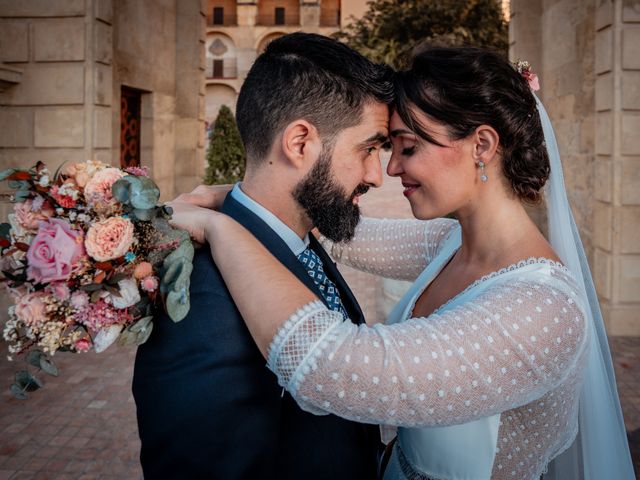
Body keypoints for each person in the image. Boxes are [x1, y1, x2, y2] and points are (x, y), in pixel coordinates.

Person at [170, 47, 635, 480]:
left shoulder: (544, 312)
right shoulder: (451, 242)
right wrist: (228, 198)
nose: (389, 170)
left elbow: (331, 366)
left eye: (407, 148)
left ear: (482, 145)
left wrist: (221, 230)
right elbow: (338, 233)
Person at [132, 32, 393, 479]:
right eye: (368, 148)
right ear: (299, 143)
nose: (377, 175)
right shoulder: (201, 295)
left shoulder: (301, 234)